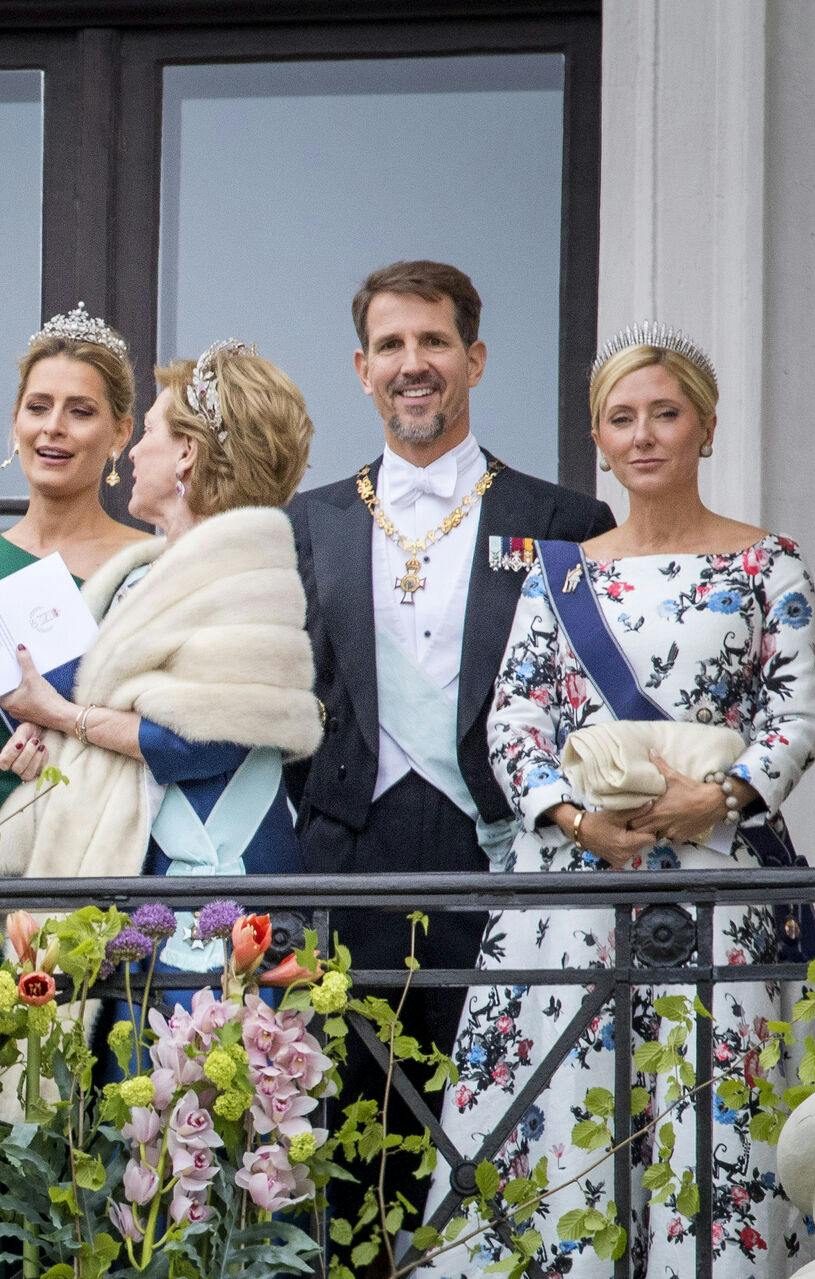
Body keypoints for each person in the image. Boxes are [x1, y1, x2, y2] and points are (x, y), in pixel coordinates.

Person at [415, 325, 815, 1278]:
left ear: (707, 427)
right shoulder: (563, 573)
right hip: (576, 895)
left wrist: (719, 796)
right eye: (621, 418)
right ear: (598, 440)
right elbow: (512, 717)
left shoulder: (769, 565)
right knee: (565, 1116)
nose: (644, 435)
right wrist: (571, 817)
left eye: (666, 413)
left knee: (711, 1117)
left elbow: (798, 713)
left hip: (721, 888)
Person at [287, 261, 614, 1220]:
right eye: (391, 345)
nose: (412, 363)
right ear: (361, 367)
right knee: (348, 1159)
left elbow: (583, 705)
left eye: (433, 342)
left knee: (506, 1139)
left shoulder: (562, 523)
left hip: (505, 860)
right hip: (348, 866)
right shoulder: (311, 522)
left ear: (473, 358)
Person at [0, 340, 321, 977]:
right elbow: (96, 691)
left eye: (151, 431)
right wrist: (43, 728)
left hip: (218, 884)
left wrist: (62, 715)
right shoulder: (146, 573)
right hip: (145, 888)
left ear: (188, 451)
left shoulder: (246, 574)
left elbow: (205, 741)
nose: (132, 450)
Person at [0, 303, 148, 838]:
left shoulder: (153, 566)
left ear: (120, 433)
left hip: (108, 849)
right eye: (38, 406)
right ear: (15, 423)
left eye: (81, 411)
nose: (53, 428)